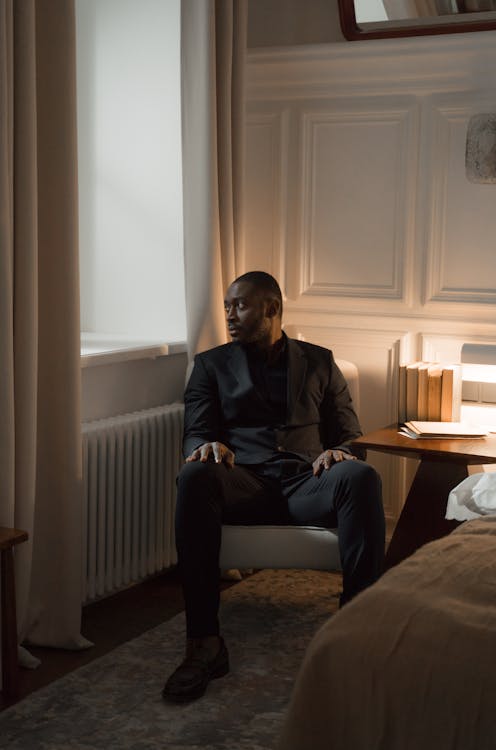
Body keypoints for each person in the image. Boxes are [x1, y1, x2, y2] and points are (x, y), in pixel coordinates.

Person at [162, 271, 385, 703]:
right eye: (227, 307)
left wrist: (339, 452)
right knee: (194, 475)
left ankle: (357, 632)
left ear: (272, 308)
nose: (229, 316)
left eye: (240, 306)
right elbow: (195, 431)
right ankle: (204, 644)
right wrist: (206, 445)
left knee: (360, 475)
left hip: (308, 481)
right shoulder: (210, 365)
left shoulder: (320, 361)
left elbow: (350, 435)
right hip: (243, 481)